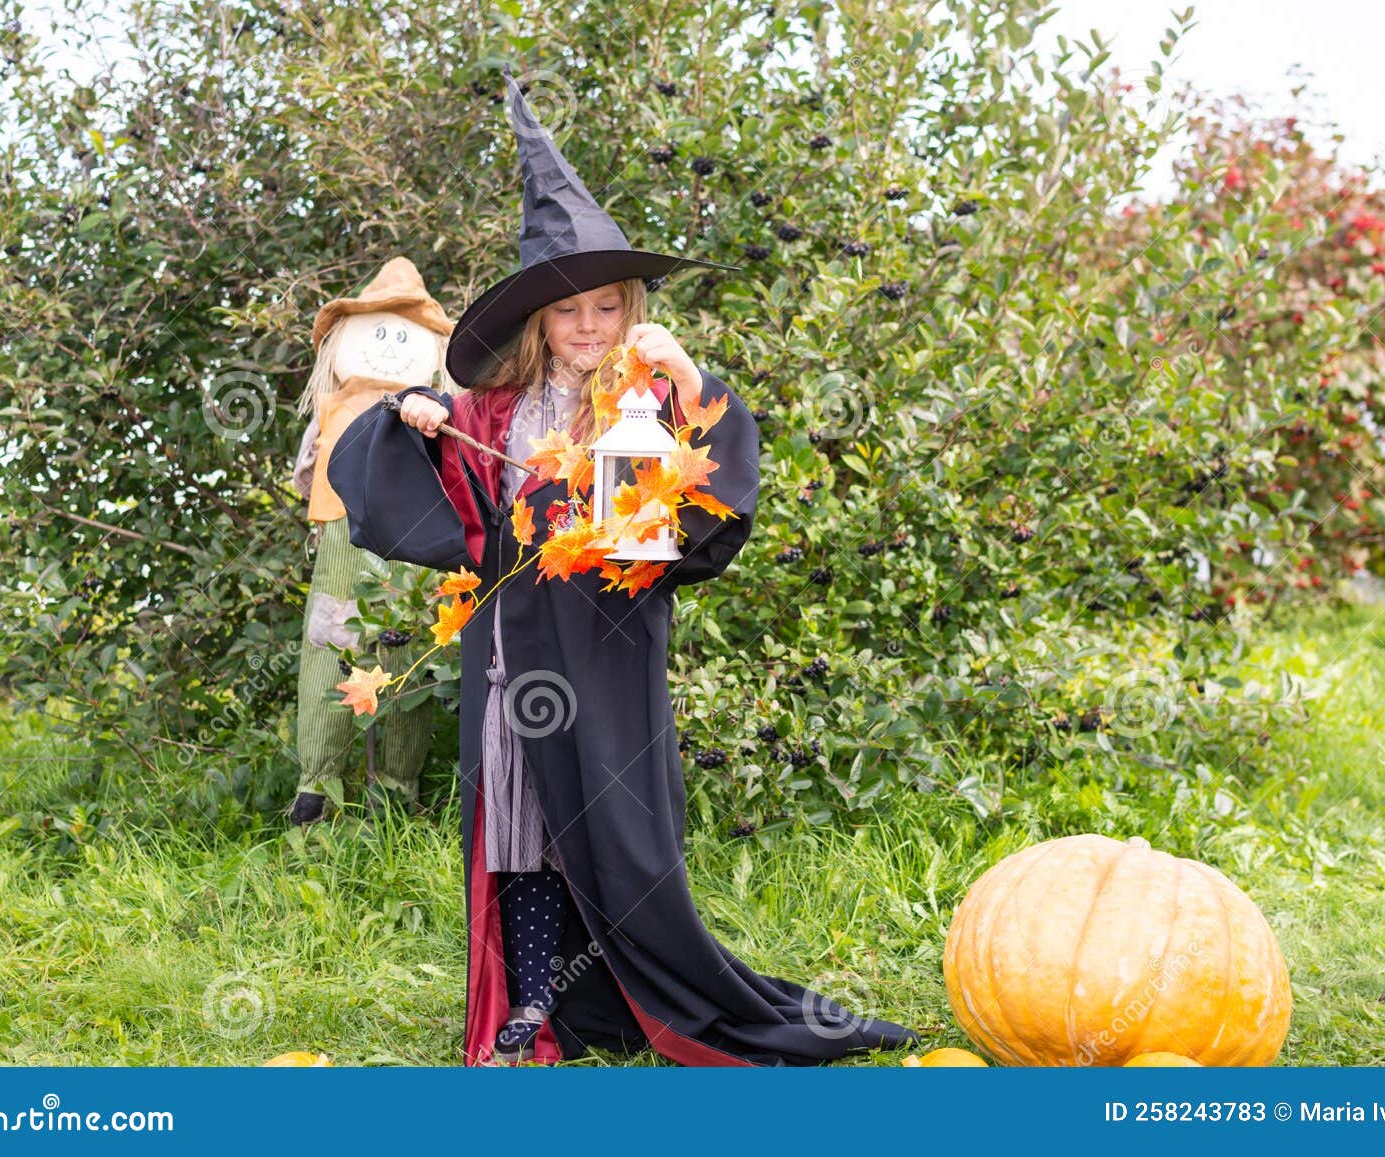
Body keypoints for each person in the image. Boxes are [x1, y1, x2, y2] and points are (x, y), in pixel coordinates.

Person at [326, 66, 920, 1067]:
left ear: (631, 310)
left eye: (606, 306)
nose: (588, 327)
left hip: (605, 652)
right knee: (516, 827)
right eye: (568, 312)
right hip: (510, 655)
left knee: (614, 835)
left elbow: (712, 497)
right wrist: (412, 415)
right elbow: (402, 476)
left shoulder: (646, 403)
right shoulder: (495, 415)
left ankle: (656, 1000)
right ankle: (529, 1010)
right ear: (538, 323)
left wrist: (688, 376)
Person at [286, 257, 452, 825]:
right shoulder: (333, 406)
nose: (385, 346)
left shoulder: (434, 411)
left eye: (399, 334)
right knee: (329, 649)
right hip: (339, 541)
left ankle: (396, 793)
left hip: (414, 552)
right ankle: (317, 787)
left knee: (406, 651)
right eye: (374, 332)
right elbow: (311, 471)